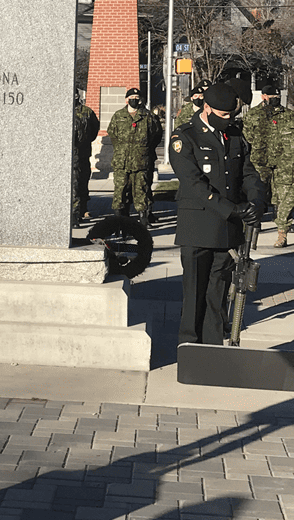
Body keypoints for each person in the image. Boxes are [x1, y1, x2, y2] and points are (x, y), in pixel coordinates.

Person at [169, 83, 266, 346]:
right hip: (198, 228)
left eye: (231, 115)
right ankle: (190, 348)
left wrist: (257, 200)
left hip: (227, 231)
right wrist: (231, 209)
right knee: (195, 295)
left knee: (218, 295)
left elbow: (248, 172)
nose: (229, 120)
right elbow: (194, 184)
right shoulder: (185, 137)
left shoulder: (234, 135)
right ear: (207, 108)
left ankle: (212, 350)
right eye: (223, 115)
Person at [107, 88, 163, 226]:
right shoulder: (118, 116)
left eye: (137, 97)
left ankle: (143, 221)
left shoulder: (148, 116)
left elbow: (156, 135)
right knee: (120, 192)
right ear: (126, 100)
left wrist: (144, 150)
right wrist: (122, 149)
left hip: (141, 161)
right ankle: (121, 221)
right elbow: (112, 134)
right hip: (122, 161)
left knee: (141, 191)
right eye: (132, 97)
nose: (134, 99)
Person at [263, 92, 294, 248]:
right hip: (284, 170)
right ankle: (282, 234)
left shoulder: (290, 116)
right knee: (284, 204)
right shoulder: (267, 118)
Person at [243, 85, 281, 208]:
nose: (275, 98)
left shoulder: (286, 114)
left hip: (281, 160)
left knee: (280, 193)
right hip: (260, 160)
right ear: (263, 97)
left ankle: (281, 220)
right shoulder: (253, 114)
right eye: (272, 96)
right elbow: (247, 136)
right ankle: (257, 219)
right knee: (260, 190)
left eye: (277, 96)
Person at [72, 91, 99, 225]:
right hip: (68, 156)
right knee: (74, 185)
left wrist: (85, 141)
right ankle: (74, 215)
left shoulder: (87, 112)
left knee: (82, 183)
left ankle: (82, 209)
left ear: (77, 96)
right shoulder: (60, 109)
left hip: (82, 153)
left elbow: (94, 129)